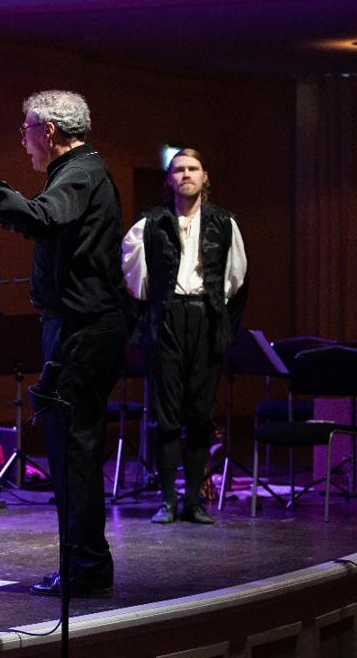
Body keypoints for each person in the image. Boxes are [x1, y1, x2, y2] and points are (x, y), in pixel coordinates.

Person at [0, 90, 128, 598]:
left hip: (82, 328)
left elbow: (41, 217)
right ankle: (85, 564)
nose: (23, 143)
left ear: (47, 131)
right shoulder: (78, 172)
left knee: (74, 449)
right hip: (77, 325)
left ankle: (86, 567)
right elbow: (40, 220)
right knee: (71, 448)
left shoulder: (82, 173)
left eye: (26, 131)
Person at [121, 148, 248, 526]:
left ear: (205, 177)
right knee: (166, 414)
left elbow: (237, 280)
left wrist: (222, 323)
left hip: (205, 318)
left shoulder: (224, 224)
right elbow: (132, 280)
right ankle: (167, 501)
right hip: (167, 319)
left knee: (199, 414)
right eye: (179, 170)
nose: (186, 175)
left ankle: (194, 500)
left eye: (193, 169)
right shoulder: (151, 223)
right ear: (169, 179)